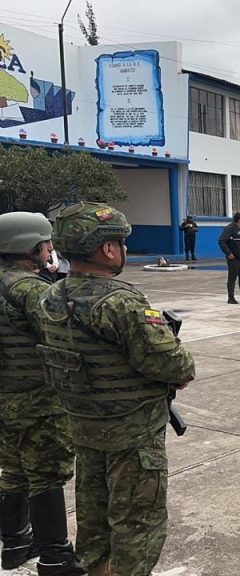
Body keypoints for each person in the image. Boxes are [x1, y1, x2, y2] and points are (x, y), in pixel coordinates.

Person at [36, 202, 195, 576]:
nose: (122, 250)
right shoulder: (121, 302)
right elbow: (176, 365)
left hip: (86, 430)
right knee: (137, 526)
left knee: (94, 524)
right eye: (121, 243)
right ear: (108, 248)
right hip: (132, 435)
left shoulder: (50, 297)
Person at [0, 212, 86, 575]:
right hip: (39, 401)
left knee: (14, 472)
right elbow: (66, 331)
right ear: (30, 247)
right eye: (46, 243)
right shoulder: (30, 289)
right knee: (47, 475)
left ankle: (16, 541)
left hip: (6, 399)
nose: (51, 249)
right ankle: (56, 556)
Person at [218, 212, 240, 304]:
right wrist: (228, 253)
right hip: (234, 258)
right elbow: (222, 241)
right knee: (232, 278)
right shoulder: (230, 228)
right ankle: (231, 297)